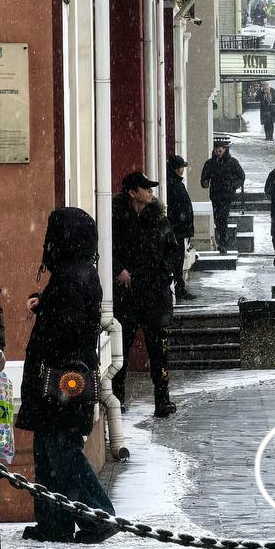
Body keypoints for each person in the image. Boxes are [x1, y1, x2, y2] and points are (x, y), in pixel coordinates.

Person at [16, 207, 118, 544]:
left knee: (60, 454)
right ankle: (54, 523)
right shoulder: (80, 271)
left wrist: (47, 310)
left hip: (62, 383)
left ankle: (97, 515)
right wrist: (44, 304)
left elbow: (68, 329)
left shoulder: (70, 277)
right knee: (50, 451)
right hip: (67, 382)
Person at [111, 172, 178, 418]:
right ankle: (116, 400)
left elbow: (172, 250)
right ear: (132, 192)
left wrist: (165, 274)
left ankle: (163, 400)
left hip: (154, 295)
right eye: (145, 188)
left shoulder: (158, 218)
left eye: (151, 189)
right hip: (126, 296)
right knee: (120, 351)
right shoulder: (116, 219)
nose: (151, 192)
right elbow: (106, 250)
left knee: (159, 351)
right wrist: (118, 270)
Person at [200, 137, 245, 254]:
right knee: (217, 218)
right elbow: (204, 177)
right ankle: (223, 240)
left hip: (227, 195)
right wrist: (205, 183)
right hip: (215, 194)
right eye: (217, 149)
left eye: (221, 149)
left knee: (222, 217)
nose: (219, 151)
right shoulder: (210, 163)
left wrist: (233, 185)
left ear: (225, 150)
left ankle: (223, 242)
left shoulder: (232, 162)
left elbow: (241, 176)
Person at [165, 154, 195, 300]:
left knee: (178, 259)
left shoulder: (175, 183)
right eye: (181, 167)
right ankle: (179, 287)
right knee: (177, 260)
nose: (182, 170)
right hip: (177, 229)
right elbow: (178, 208)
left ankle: (179, 286)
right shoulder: (173, 185)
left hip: (179, 229)